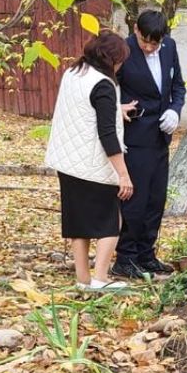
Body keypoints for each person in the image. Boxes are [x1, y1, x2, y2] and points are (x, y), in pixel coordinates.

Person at [43, 31, 135, 291]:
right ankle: (101, 278)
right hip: (92, 165)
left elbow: (83, 107)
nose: (120, 65)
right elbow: (107, 134)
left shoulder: (74, 73)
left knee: (78, 222)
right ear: (111, 59)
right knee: (112, 220)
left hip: (67, 161)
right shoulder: (104, 84)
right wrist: (123, 174)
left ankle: (83, 279)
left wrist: (117, 110)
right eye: (120, 60)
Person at [111, 9, 187, 279]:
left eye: (155, 43)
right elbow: (109, 89)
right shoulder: (123, 50)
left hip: (160, 136)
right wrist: (117, 108)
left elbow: (178, 86)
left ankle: (146, 254)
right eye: (145, 41)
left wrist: (175, 110)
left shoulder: (169, 48)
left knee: (156, 198)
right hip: (134, 135)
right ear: (135, 31)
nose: (149, 47)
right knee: (136, 198)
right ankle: (126, 257)